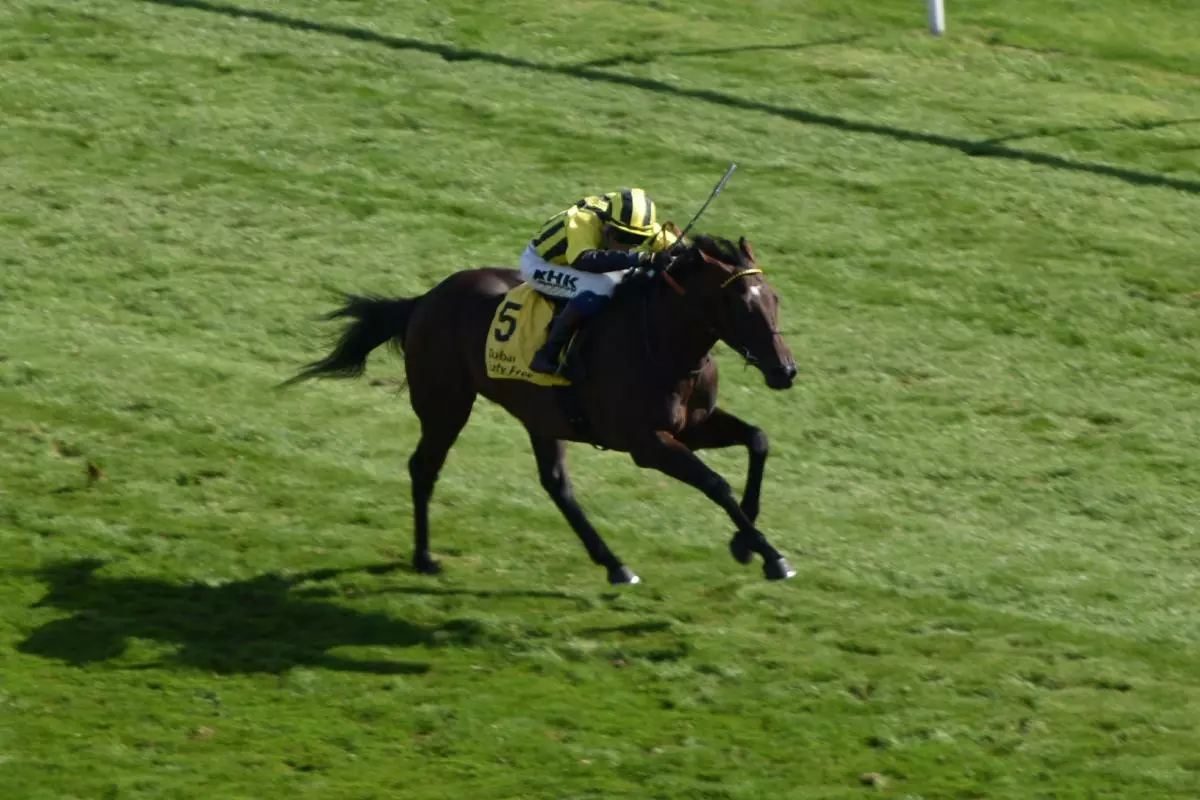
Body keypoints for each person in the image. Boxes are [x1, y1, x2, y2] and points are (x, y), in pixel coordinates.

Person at [520, 188, 677, 378]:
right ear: (607, 227)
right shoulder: (583, 220)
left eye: (638, 240)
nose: (629, 245)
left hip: (580, 259)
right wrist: (640, 257)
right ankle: (547, 354)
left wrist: (678, 253)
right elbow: (584, 260)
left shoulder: (634, 223)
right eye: (623, 238)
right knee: (601, 287)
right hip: (543, 263)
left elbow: (676, 248)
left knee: (633, 278)